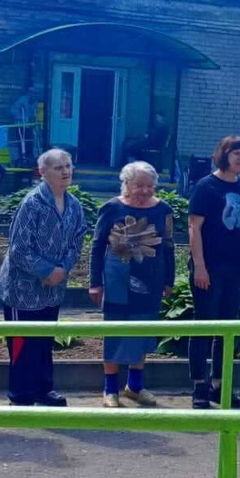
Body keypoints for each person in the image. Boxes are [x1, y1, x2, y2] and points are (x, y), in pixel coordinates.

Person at [0, 148, 88, 408]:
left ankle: (44, 390)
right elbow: (18, 249)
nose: (65, 171)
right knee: (22, 343)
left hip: (52, 290)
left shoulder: (74, 205)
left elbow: (78, 241)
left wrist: (62, 269)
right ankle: (20, 396)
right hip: (22, 290)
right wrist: (46, 271)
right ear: (42, 172)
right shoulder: (32, 203)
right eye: (58, 167)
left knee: (45, 341)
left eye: (68, 166)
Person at [89, 162, 176, 409]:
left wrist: (169, 279)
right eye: (139, 185)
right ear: (126, 184)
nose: (145, 191)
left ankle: (135, 386)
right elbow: (97, 246)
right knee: (115, 331)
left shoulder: (164, 210)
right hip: (117, 279)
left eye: (150, 186)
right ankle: (110, 389)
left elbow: (168, 246)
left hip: (151, 280)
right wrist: (95, 283)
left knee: (143, 330)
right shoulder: (111, 208)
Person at [187, 135, 240, 410]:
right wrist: (200, 266)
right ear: (223, 155)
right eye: (236, 153)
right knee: (204, 325)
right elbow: (194, 228)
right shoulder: (206, 186)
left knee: (227, 328)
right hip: (209, 267)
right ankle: (199, 386)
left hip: (236, 268)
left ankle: (220, 385)